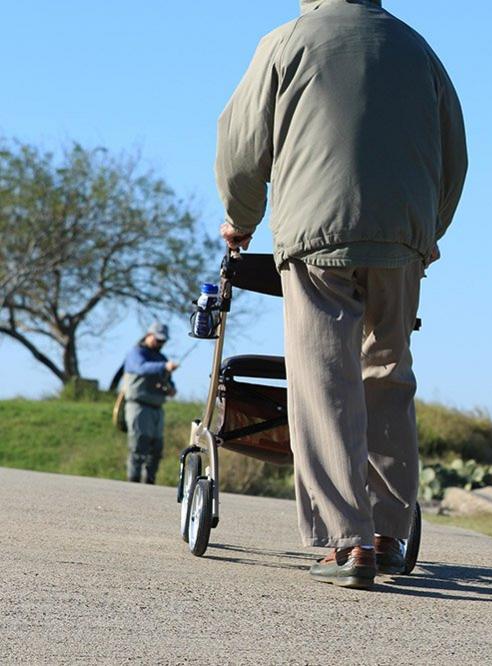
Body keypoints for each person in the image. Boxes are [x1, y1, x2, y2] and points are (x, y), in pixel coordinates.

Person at [215, 0, 467, 590]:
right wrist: (427, 232)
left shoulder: (287, 42)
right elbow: (453, 157)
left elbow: (241, 143)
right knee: (388, 372)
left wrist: (241, 216)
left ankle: (346, 542)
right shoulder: (417, 48)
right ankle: (387, 532)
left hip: (314, 236)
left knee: (323, 376)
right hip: (402, 236)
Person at [122, 322, 178, 484]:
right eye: (158, 339)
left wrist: (170, 389)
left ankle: (150, 482)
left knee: (156, 448)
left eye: (163, 341)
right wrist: (164, 366)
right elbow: (141, 368)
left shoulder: (161, 358)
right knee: (139, 446)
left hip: (157, 409)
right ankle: (133, 480)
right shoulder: (136, 353)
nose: (160, 343)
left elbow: (167, 381)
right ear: (149, 335)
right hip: (138, 406)